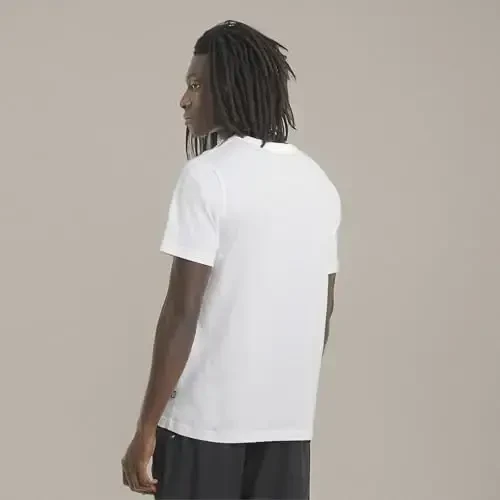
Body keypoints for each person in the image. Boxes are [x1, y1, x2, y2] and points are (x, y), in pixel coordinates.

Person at [121, 19, 341, 499]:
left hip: (203, 426)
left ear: (229, 88)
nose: (184, 100)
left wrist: (146, 428)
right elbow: (322, 310)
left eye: (196, 85)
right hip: (287, 428)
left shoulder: (207, 176)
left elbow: (182, 312)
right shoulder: (317, 182)